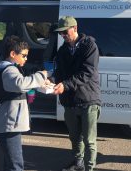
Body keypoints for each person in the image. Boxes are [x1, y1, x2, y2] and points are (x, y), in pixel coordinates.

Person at [0, 35, 49, 171]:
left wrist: (41, 84)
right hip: (8, 125)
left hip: (6, 124)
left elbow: (20, 85)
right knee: (16, 166)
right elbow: (20, 84)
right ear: (12, 54)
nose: (26, 59)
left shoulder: (5, 68)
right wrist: (41, 75)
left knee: (10, 164)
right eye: (23, 55)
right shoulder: (9, 70)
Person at [53, 16, 101, 171]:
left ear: (75, 28)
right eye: (60, 33)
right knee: (74, 137)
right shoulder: (62, 50)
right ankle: (77, 163)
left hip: (88, 99)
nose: (63, 36)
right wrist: (52, 82)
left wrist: (65, 85)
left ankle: (89, 168)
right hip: (70, 101)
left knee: (89, 140)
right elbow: (59, 72)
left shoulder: (89, 46)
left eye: (65, 32)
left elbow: (87, 72)